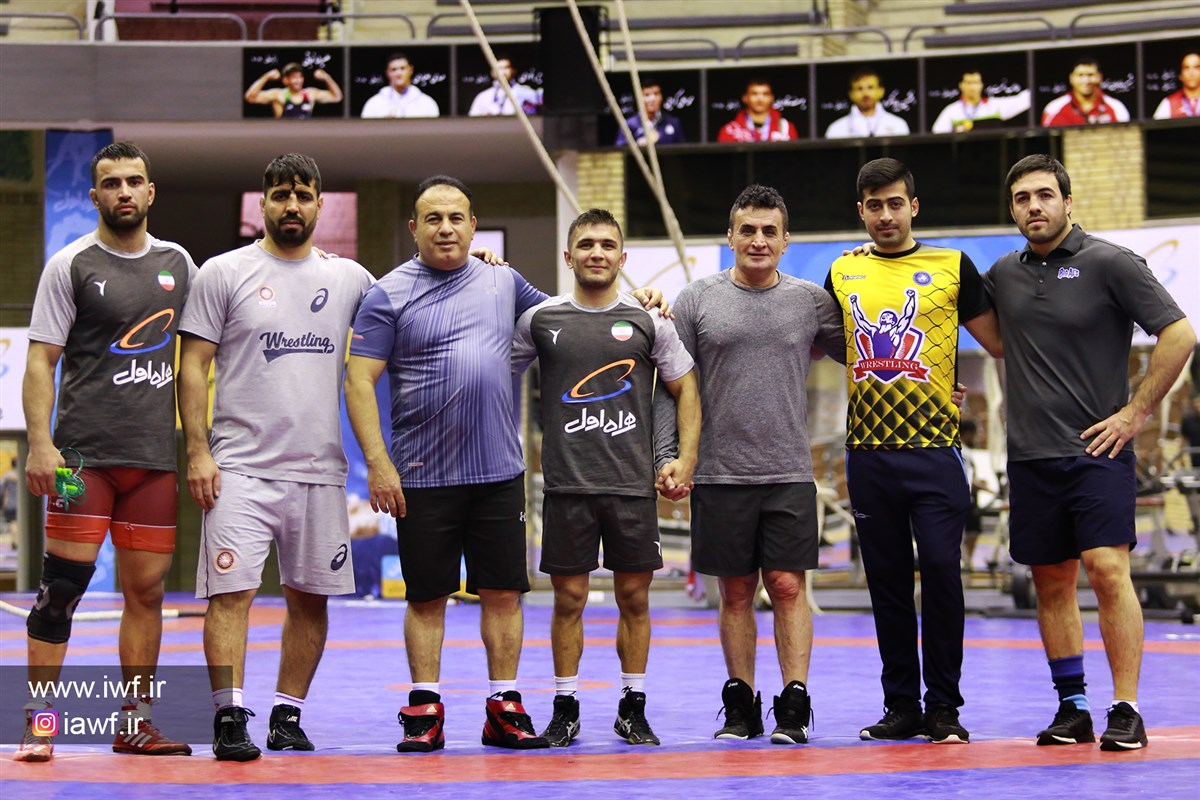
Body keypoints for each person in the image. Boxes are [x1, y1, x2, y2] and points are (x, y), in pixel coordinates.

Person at [344, 176, 665, 753]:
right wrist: (378, 463)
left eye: (457, 218)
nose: (446, 228)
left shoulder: (504, 281)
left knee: (502, 593)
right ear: (413, 228)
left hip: (497, 473)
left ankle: (504, 706)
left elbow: (578, 318)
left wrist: (641, 300)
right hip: (422, 473)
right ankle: (424, 708)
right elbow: (359, 381)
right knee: (427, 597)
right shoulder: (387, 293)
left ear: (474, 226)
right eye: (433, 218)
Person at [984, 154, 1195, 751]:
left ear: (1068, 201)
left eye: (1044, 195)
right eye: (1022, 198)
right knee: (1051, 582)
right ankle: (1072, 707)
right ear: (1013, 209)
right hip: (1031, 456)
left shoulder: (1110, 262)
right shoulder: (1003, 273)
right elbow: (985, 337)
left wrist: (1136, 413)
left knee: (1106, 569)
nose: (1034, 206)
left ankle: (1126, 707)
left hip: (1097, 450)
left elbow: (1180, 334)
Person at [177, 153, 376, 761]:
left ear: (320, 205)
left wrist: (480, 264)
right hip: (239, 468)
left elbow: (415, 303)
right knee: (230, 595)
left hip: (319, 472)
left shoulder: (351, 279)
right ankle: (229, 716)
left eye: (303, 195)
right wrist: (197, 450)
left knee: (310, 600)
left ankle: (287, 717)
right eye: (282, 195)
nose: (292, 205)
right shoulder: (223, 272)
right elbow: (192, 366)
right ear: (262, 203)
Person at [16, 141, 195, 762]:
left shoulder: (179, 264)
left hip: (153, 463)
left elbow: (210, 340)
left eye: (134, 181)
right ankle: (40, 726)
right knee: (60, 591)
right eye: (111, 183)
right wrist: (40, 444)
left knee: (147, 594)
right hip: (80, 463)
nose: (124, 192)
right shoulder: (69, 264)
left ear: (150, 192)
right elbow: (41, 360)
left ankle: (135, 723)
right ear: (95, 196)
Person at [654, 184, 843, 745]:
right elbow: (671, 385)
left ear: (786, 241)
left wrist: (937, 385)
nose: (758, 240)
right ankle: (741, 704)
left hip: (788, 471)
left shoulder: (811, 301)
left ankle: (794, 703)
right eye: (748, 230)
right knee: (735, 592)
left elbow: (873, 353)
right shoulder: (696, 300)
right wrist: (668, 455)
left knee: (787, 586)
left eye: (769, 231)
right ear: (731, 236)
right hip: (718, 472)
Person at [825, 158, 1003, 745]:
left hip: (935, 451)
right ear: (861, 212)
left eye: (895, 203)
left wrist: (953, 384)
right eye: (874, 206)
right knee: (887, 582)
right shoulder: (842, 271)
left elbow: (1001, 344)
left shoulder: (953, 265)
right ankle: (901, 705)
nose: (886, 215)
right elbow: (829, 342)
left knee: (943, 575)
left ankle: (944, 707)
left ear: (914, 207)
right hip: (868, 452)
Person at [510, 209, 700, 748]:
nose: (597, 252)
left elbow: (686, 388)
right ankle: (565, 708)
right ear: (568, 256)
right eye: (587, 244)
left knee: (634, 599)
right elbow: (495, 374)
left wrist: (685, 459)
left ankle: (631, 708)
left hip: (631, 488)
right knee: (568, 599)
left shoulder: (650, 320)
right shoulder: (540, 319)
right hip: (567, 487)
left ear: (622, 257)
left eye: (607, 244)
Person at [930, 70, 1031, 133]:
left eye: (976, 83)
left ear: (981, 85)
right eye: (968, 83)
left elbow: (1024, 100)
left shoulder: (995, 105)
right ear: (961, 85)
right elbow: (937, 134)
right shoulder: (951, 111)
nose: (972, 87)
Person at [1041, 57, 1130, 126]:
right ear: (1071, 78)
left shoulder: (1116, 107)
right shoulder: (1054, 108)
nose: (1086, 81)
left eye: (1090, 75)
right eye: (1080, 75)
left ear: (1100, 77)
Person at [825, 67, 910, 139]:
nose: (865, 93)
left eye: (870, 87)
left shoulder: (898, 125)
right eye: (859, 88)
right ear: (851, 94)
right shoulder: (836, 129)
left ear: (881, 91)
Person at [244, 62, 343, 119]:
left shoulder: (310, 94)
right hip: (284, 137)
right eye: (294, 78)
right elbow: (250, 97)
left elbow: (337, 97)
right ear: (286, 80)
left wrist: (326, 77)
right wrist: (266, 77)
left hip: (306, 137)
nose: (298, 80)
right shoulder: (278, 95)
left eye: (300, 77)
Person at [361, 52, 440, 119]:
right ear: (387, 73)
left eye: (402, 68)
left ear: (411, 70)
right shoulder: (374, 103)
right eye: (394, 69)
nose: (399, 73)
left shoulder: (426, 103)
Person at [717, 79, 798, 143]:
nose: (760, 99)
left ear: (772, 98)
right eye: (754, 94)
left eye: (765, 94)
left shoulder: (786, 127)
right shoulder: (730, 130)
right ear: (745, 98)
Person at [616, 82, 685, 146]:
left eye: (656, 94)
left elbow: (682, 150)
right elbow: (620, 150)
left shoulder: (673, 122)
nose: (652, 99)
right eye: (647, 95)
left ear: (661, 97)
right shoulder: (629, 124)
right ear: (639, 98)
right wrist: (639, 144)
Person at [468, 57, 540, 116]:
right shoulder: (483, 97)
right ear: (492, 72)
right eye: (499, 68)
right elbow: (472, 120)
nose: (503, 72)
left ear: (513, 70)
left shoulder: (526, 92)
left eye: (506, 68)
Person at [1152, 52, 1200, 119]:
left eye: (1197, 67)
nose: (1191, 73)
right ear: (1180, 75)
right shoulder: (1168, 103)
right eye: (1186, 68)